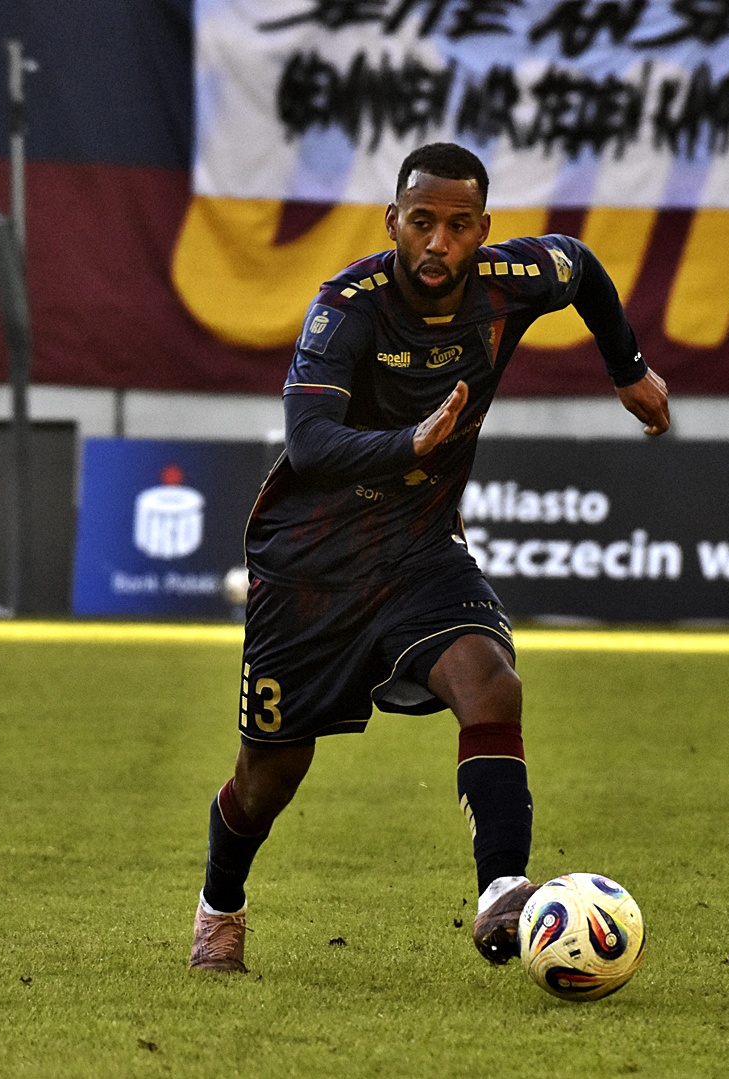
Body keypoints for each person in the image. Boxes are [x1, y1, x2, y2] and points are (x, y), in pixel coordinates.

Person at [189, 143, 672, 974]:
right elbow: (309, 443)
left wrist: (627, 367)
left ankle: (503, 892)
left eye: (457, 225)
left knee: (492, 682)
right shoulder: (346, 308)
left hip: (418, 546)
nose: (438, 242)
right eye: (422, 222)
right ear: (393, 222)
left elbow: (583, 267)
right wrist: (408, 443)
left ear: (482, 229)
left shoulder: (511, 283)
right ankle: (220, 906)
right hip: (311, 563)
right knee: (269, 776)